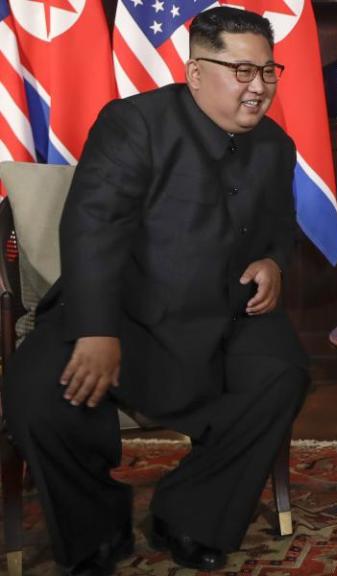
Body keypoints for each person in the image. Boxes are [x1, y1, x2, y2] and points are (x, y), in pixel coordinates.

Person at [2, 7, 310, 575]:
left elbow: (280, 228)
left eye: (268, 71)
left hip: (224, 314)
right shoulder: (133, 122)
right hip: (119, 310)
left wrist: (272, 260)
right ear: (195, 72)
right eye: (242, 71)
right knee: (35, 395)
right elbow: (91, 225)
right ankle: (95, 529)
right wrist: (95, 330)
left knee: (282, 373)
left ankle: (190, 516)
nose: (259, 87)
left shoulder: (275, 145)